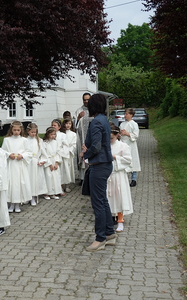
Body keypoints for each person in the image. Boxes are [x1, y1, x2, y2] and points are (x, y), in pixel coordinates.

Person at [81, 93, 117, 252]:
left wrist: (85, 154)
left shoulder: (96, 122)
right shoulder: (104, 120)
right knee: (102, 200)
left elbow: (95, 146)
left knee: (98, 203)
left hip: (99, 165)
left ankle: (100, 238)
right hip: (106, 164)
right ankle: (109, 233)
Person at [2, 121, 32, 213]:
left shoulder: (24, 140)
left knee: (19, 183)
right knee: (11, 184)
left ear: (21, 130)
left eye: (18, 130)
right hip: (11, 165)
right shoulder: (7, 140)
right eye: (14, 130)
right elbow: (3, 151)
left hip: (20, 166)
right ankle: (11, 204)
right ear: (11, 130)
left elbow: (29, 152)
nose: (16, 132)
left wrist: (22, 155)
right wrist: (8, 154)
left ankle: (17, 204)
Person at [107, 125, 134, 232]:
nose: (109, 140)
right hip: (108, 175)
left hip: (118, 175)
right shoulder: (106, 145)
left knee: (120, 197)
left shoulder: (123, 146)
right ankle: (110, 218)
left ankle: (120, 220)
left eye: (111, 138)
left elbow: (128, 160)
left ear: (117, 135)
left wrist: (115, 157)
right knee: (109, 197)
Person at [25, 122, 48, 206]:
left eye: (35, 132)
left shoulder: (39, 140)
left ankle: (34, 197)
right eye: (32, 132)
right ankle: (27, 196)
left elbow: (43, 152)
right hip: (28, 163)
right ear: (28, 131)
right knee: (28, 180)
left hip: (36, 163)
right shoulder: (25, 140)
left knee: (35, 180)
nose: (33, 134)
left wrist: (42, 160)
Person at [119, 108, 141, 187]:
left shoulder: (134, 124)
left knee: (133, 160)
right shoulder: (122, 124)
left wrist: (127, 133)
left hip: (131, 144)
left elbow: (136, 135)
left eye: (127, 114)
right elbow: (120, 133)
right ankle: (124, 178)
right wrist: (120, 134)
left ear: (131, 115)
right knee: (124, 160)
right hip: (123, 144)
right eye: (125, 114)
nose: (125, 115)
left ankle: (133, 179)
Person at [76, 93, 93, 186]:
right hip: (81, 137)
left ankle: (90, 177)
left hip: (91, 137)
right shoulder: (79, 110)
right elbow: (74, 125)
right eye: (84, 99)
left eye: (88, 99)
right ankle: (82, 178)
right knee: (82, 157)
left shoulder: (93, 110)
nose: (86, 101)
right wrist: (78, 118)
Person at [42, 127, 63, 199]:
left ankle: (54, 192)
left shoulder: (56, 142)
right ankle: (47, 193)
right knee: (48, 177)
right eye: (51, 134)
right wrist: (49, 164)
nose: (53, 136)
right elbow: (44, 154)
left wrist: (57, 163)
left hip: (55, 160)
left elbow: (58, 152)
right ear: (47, 134)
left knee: (56, 177)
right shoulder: (44, 143)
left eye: (54, 134)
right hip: (48, 161)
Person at [51, 119, 69, 196]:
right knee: (54, 173)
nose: (53, 126)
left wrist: (61, 152)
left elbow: (66, 145)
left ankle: (61, 188)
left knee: (61, 173)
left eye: (54, 125)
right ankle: (54, 188)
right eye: (52, 125)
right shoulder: (50, 134)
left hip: (60, 155)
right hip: (53, 156)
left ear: (59, 127)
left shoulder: (62, 135)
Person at [60, 118, 77, 192]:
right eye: (66, 123)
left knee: (68, 169)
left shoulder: (73, 134)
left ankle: (67, 185)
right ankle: (61, 184)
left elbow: (74, 144)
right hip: (62, 153)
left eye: (69, 124)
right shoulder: (61, 134)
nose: (68, 125)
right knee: (62, 169)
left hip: (68, 154)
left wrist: (69, 150)